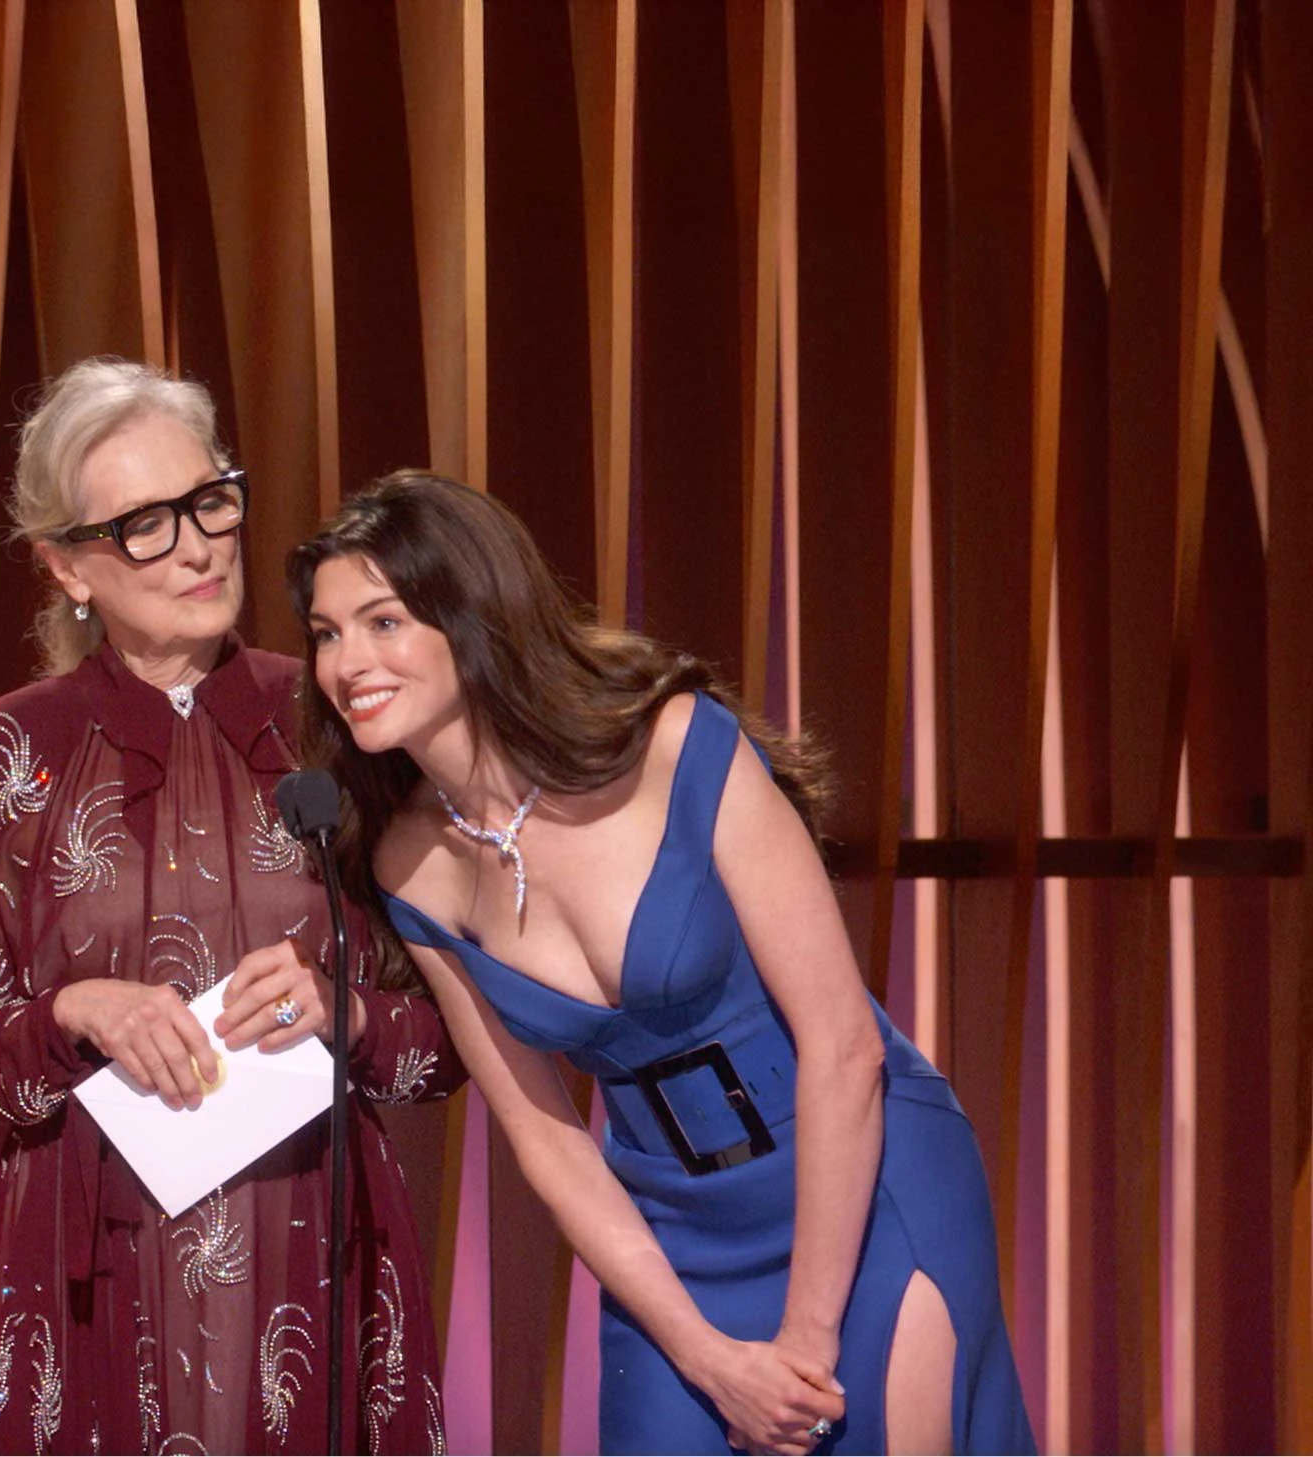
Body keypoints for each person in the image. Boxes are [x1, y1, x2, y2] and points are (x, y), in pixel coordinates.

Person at [288, 473, 1035, 1456]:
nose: (347, 663)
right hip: (673, 1236)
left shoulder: (676, 746)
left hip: (863, 1178)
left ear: (472, 616)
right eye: (326, 633)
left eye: (382, 621)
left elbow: (845, 1045)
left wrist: (805, 1343)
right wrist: (707, 1355)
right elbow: (545, 1135)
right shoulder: (407, 862)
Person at [0, 360, 463, 1455]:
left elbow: (455, 1034)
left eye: (210, 501)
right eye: (146, 524)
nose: (200, 546)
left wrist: (345, 1012)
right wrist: (71, 1012)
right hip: (85, 1275)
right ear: (67, 563)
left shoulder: (347, 722)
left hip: (319, 1248)